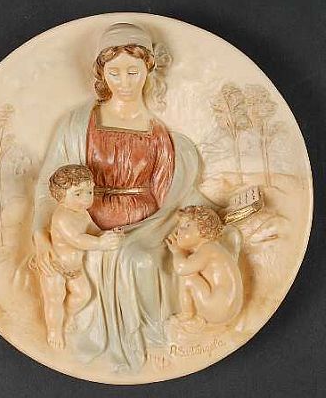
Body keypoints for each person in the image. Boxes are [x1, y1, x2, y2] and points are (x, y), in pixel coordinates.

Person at [32, 22, 214, 371]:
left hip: (148, 222)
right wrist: (40, 235)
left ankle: (151, 337)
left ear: (148, 70)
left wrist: (216, 212)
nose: (124, 82)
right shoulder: (77, 125)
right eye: (114, 73)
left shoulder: (159, 134)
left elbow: (176, 191)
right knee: (120, 257)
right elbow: (47, 186)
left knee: (140, 259)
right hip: (89, 222)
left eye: (133, 72)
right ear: (101, 73)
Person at [37, 164, 121, 349]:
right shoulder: (62, 217)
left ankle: (69, 315)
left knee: (83, 295)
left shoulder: (82, 213)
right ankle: (54, 330)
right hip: (55, 268)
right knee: (54, 300)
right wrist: (100, 244)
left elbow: (91, 229)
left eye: (89, 192)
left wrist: (105, 235)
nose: (86, 198)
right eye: (78, 194)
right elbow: (77, 239)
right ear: (61, 196)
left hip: (75, 269)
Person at [166, 206, 243, 324]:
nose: (180, 230)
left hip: (217, 310)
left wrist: (177, 252)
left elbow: (182, 268)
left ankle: (187, 314)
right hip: (228, 309)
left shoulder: (208, 249)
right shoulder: (214, 248)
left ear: (203, 230)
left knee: (188, 277)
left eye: (187, 225)